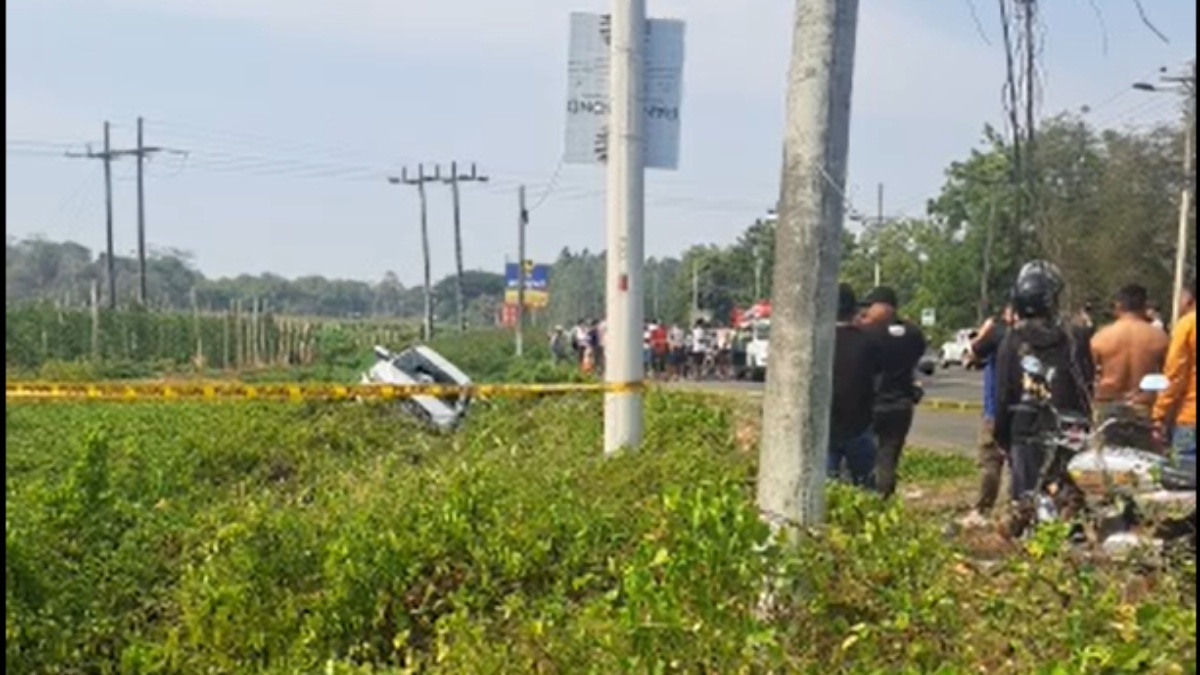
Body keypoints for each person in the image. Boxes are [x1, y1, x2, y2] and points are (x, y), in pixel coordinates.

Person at [994, 261, 1094, 514]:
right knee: (1067, 497)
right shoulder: (1075, 337)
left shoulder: (1011, 341)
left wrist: (1001, 435)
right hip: (1068, 429)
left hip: (1024, 428)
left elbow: (1003, 395)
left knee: (1026, 500)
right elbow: (1085, 386)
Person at [857, 286, 927, 499]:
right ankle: (884, 499)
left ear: (884, 307)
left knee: (864, 456)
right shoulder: (914, 334)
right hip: (901, 405)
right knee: (889, 455)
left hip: (873, 404)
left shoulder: (868, 334)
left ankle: (865, 498)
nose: (866, 312)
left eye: (870, 307)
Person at [964, 301, 1016, 521]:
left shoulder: (998, 334)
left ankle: (983, 509)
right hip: (1023, 412)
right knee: (1017, 464)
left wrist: (983, 332)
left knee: (990, 461)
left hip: (995, 410)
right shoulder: (1034, 336)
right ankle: (1013, 510)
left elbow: (971, 356)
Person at [829, 284, 885, 488]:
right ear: (854, 310)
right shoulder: (869, 341)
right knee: (866, 487)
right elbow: (879, 381)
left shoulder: (818, 341)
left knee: (827, 489)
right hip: (860, 425)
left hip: (826, 427)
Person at [1090, 284, 1169, 420]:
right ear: (1145, 306)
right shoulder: (1160, 338)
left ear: (1118, 306)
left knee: (1104, 441)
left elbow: (1092, 374)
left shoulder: (1100, 337)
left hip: (1108, 404)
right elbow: (1167, 376)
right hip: (1143, 405)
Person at [1153, 276, 1197, 466]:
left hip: (1191, 417)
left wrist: (1159, 414)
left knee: (1186, 486)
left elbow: (1175, 375)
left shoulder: (1188, 325)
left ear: (1189, 299)